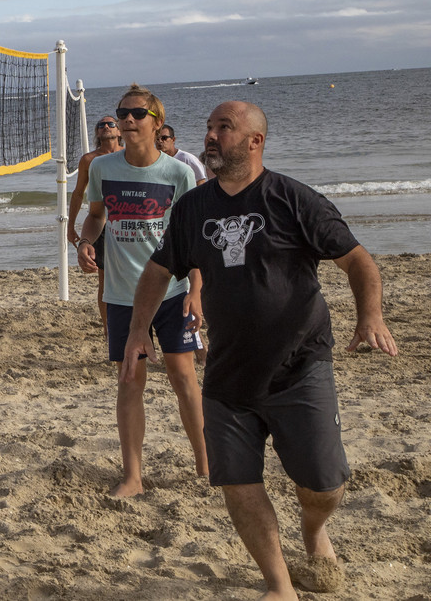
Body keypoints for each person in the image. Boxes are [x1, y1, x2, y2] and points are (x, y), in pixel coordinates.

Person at [123, 101, 397, 600]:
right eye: (208, 128)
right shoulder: (193, 208)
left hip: (299, 366)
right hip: (228, 374)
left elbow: (357, 261)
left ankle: (314, 532)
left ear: (255, 141)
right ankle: (279, 586)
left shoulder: (292, 199)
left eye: (223, 128)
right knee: (238, 483)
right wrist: (139, 329)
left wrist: (370, 315)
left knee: (322, 486)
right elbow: (160, 270)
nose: (210, 136)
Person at [75, 85, 207, 498]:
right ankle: (133, 477)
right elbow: (96, 216)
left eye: (137, 113)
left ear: (157, 123)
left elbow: (197, 241)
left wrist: (196, 291)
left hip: (172, 291)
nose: (127, 120)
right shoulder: (103, 168)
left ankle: (206, 467)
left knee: (183, 376)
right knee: (130, 381)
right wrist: (84, 241)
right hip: (121, 294)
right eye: (122, 113)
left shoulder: (178, 173)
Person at [69, 114, 122, 334]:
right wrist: (70, 226)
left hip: (127, 222)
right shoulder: (90, 159)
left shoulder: (130, 155)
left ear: (119, 131)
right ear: (97, 132)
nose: (107, 127)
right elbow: (78, 193)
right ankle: (108, 329)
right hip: (102, 223)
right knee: (105, 281)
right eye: (102, 125)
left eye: (111, 124)